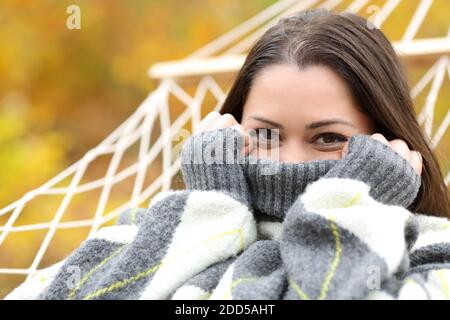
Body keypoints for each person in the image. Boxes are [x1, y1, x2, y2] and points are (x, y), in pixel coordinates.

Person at [5, 8, 450, 300]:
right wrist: (213, 209)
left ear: (385, 139)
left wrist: (353, 206)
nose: (289, 162)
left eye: (328, 138)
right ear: (233, 128)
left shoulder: (432, 252)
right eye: (267, 134)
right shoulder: (150, 232)